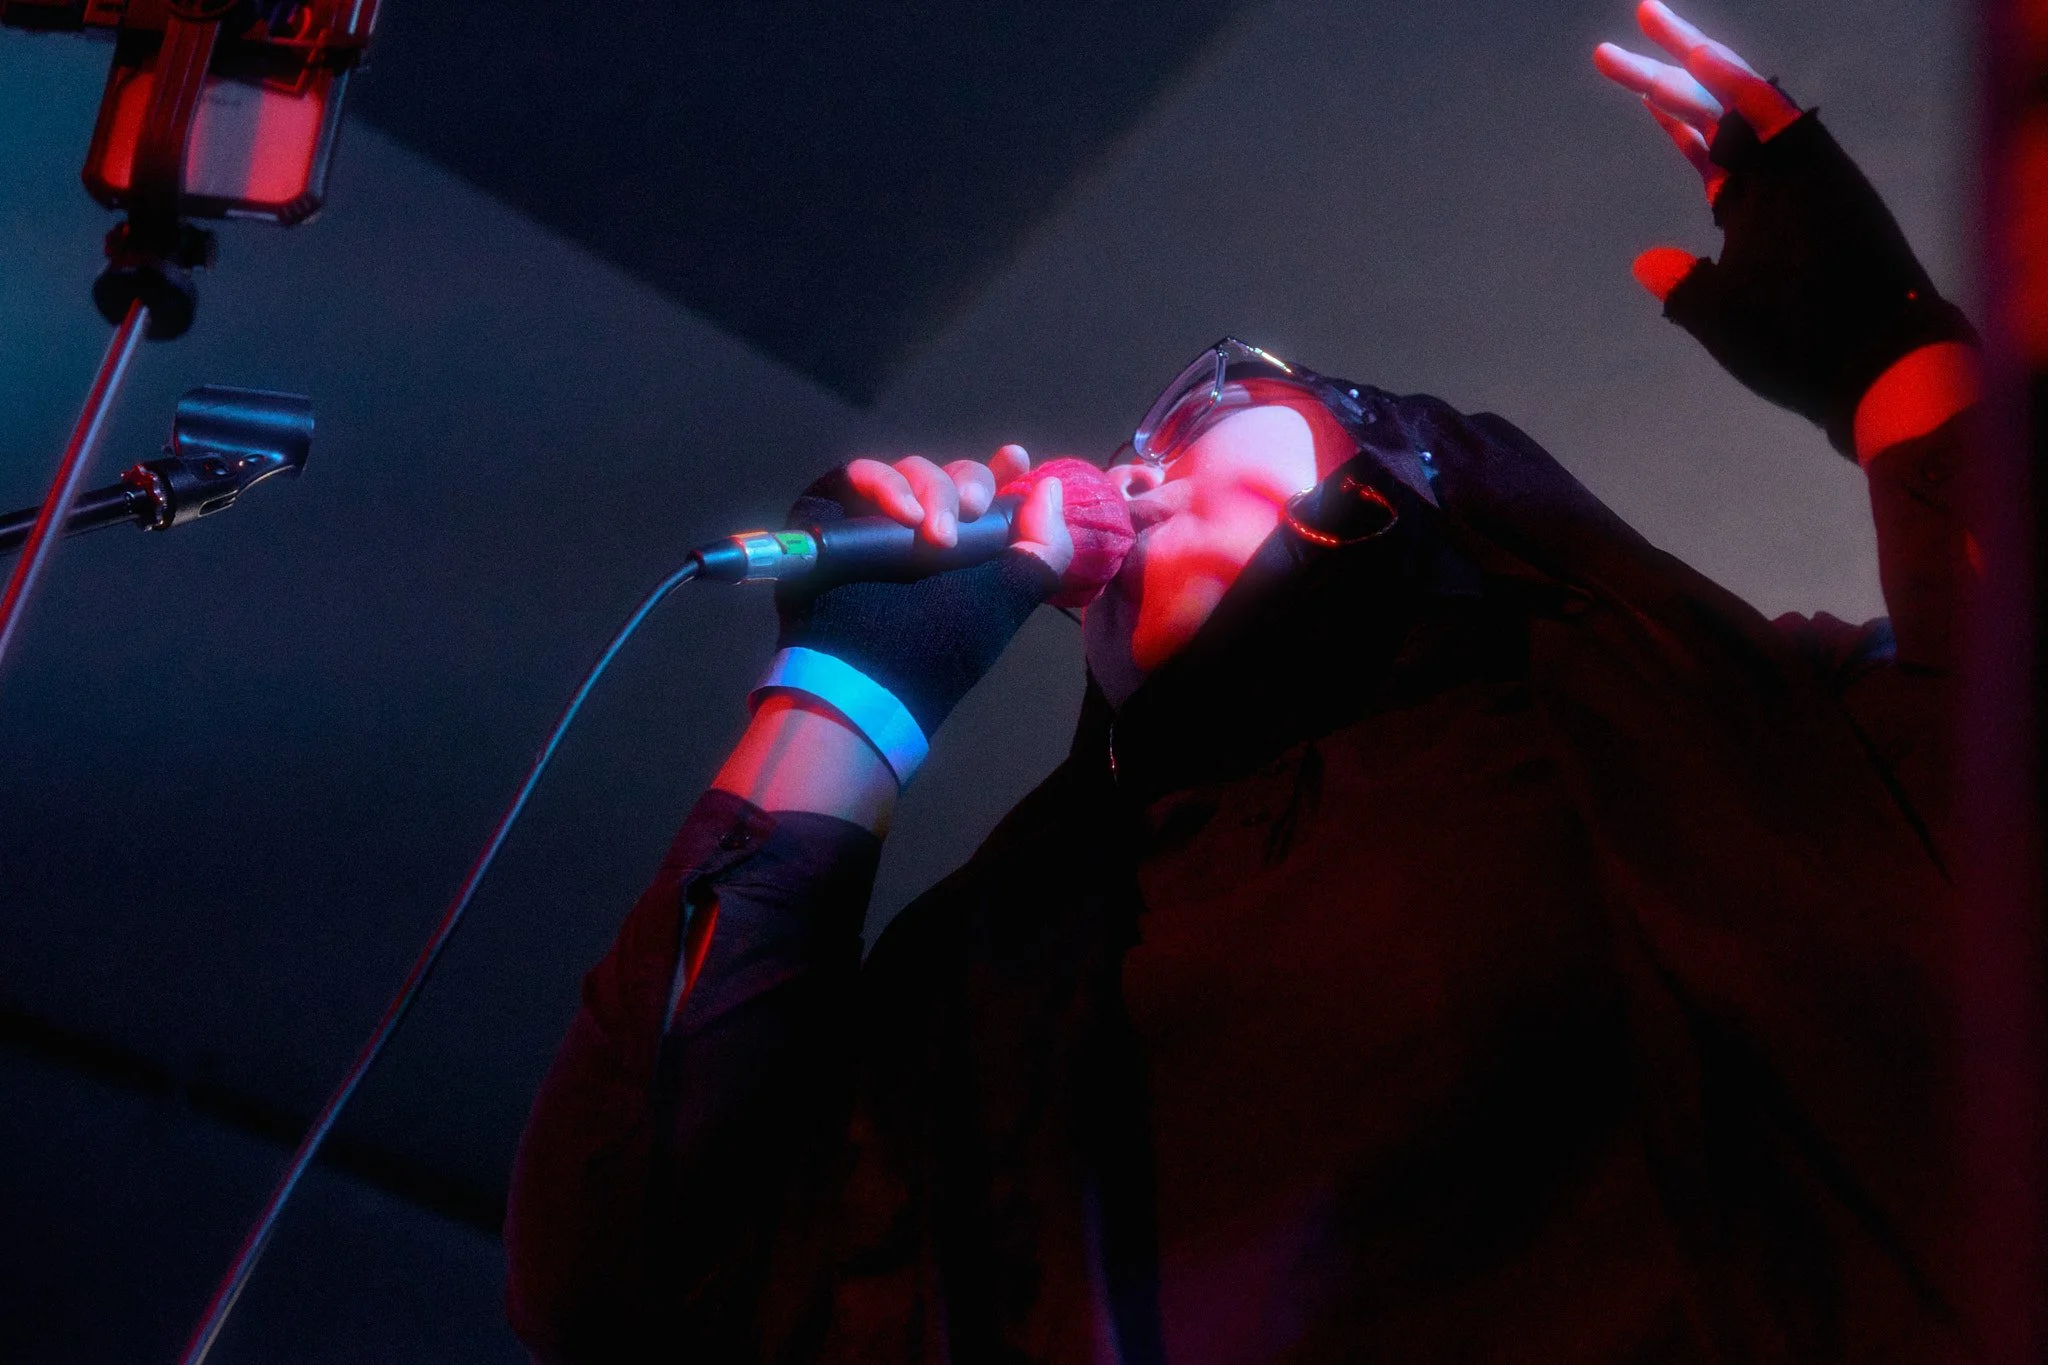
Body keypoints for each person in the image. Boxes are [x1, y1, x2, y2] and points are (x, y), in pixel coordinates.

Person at [504, 4, 1986, 1360]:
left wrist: (1894, 354)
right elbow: (627, 1282)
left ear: (1403, 468)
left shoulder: (1715, 740)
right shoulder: (1007, 958)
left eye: (1199, 408)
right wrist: (854, 685)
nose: (1127, 466)